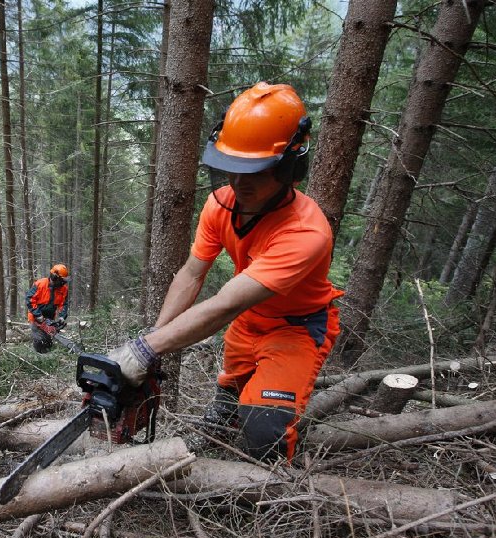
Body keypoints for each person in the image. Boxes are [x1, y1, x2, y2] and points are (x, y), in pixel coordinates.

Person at [107, 82, 343, 463]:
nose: (238, 182)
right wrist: (155, 337)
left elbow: (224, 304)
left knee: (265, 429)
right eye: (232, 169)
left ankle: (269, 491)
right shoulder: (221, 206)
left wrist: (146, 349)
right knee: (232, 391)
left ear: (288, 166)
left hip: (295, 328)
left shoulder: (305, 233)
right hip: (247, 323)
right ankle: (225, 416)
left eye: (254, 172)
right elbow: (191, 274)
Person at [26, 264, 70, 353]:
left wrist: (62, 316)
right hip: (36, 317)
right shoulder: (40, 284)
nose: (63, 283)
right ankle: (38, 357)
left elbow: (63, 304)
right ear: (54, 277)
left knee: (48, 340)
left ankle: (49, 356)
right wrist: (38, 315)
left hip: (50, 317)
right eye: (62, 280)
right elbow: (29, 299)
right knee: (39, 340)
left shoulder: (63, 289)